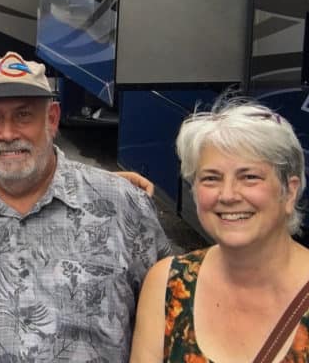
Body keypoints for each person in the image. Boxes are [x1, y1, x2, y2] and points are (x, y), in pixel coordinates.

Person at [0, 51, 171, 363]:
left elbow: (170, 314)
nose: (8, 133)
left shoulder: (122, 205)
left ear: (52, 118)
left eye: (24, 115)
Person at [130, 99, 309, 363]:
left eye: (249, 177)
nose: (227, 195)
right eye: (211, 178)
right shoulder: (168, 284)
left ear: (290, 191)